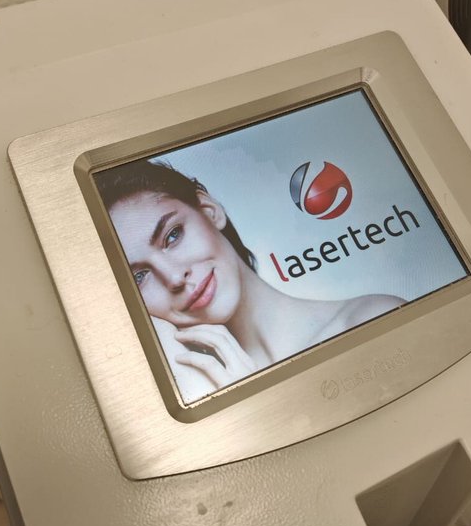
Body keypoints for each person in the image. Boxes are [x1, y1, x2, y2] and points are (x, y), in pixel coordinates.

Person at [95, 160, 402, 401]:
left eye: (173, 235)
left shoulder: (370, 322)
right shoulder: (195, 391)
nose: (174, 277)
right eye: (139, 276)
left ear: (210, 212)